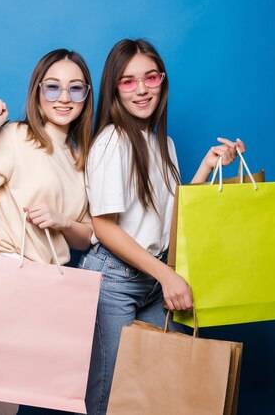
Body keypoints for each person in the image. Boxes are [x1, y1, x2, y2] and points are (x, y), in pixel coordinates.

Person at [79, 39, 246, 415]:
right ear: (114, 89)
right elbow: (104, 228)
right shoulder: (111, 142)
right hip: (114, 282)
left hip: (152, 281)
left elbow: (172, 216)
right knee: (110, 395)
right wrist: (168, 277)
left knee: (154, 394)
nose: (141, 89)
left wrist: (207, 166)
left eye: (150, 77)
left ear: (162, 81)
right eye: (128, 81)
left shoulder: (162, 143)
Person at [0, 49, 94, 415]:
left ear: (87, 95)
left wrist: (63, 221)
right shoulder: (17, 137)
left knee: (32, 403)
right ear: (37, 92)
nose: (64, 98)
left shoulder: (84, 160)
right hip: (5, 285)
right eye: (53, 87)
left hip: (50, 292)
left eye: (75, 89)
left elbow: (87, 237)